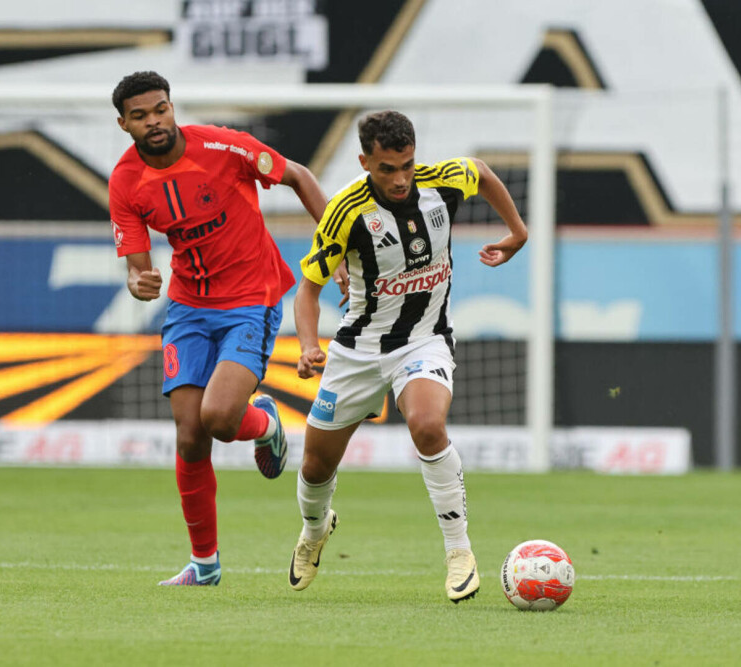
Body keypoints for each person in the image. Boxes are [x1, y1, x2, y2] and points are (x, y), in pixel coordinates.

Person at [289, 110, 528, 602]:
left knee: (427, 425)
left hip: (424, 340)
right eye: (386, 169)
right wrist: (310, 344)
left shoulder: (441, 183)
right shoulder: (345, 212)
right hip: (357, 351)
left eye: (407, 165)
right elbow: (308, 291)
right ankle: (315, 530)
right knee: (315, 466)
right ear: (364, 162)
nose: (400, 179)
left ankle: (459, 552)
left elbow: (481, 171)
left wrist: (517, 231)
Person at [108, 71, 327, 585]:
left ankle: (266, 423)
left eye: (160, 109)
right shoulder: (125, 181)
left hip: (252, 298)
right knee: (189, 437)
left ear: (171, 106)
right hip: (188, 306)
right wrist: (140, 282)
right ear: (124, 124)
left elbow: (298, 176)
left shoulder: (225, 147)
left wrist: (332, 244)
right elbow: (138, 269)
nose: (154, 121)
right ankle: (204, 566)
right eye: (140, 116)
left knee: (221, 418)